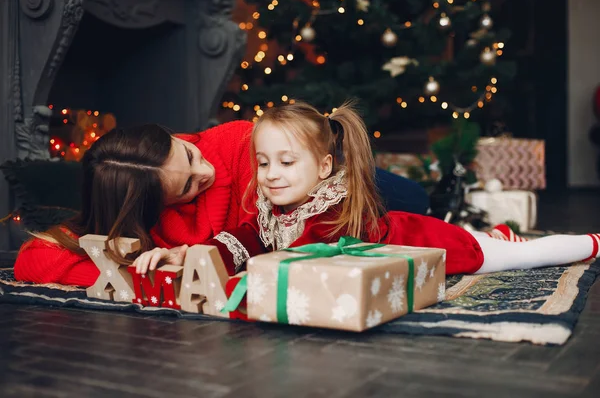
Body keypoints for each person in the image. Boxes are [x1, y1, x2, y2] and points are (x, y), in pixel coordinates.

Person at [133, 101, 600, 277]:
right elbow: (249, 239)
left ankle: (587, 242)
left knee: (514, 258)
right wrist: (193, 255)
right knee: (494, 242)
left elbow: (302, 257)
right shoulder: (275, 207)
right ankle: (497, 232)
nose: (271, 174)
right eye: (263, 163)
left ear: (324, 166)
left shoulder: (329, 209)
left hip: (431, 242)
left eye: (287, 162)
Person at [14, 119, 430, 286]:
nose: (206, 174)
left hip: (331, 196)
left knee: (415, 206)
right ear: (153, 206)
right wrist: (145, 274)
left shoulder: (234, 143)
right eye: (188, 187)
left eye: (190, 156)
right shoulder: (144, 220)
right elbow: (32, 259)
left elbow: (292, 232)